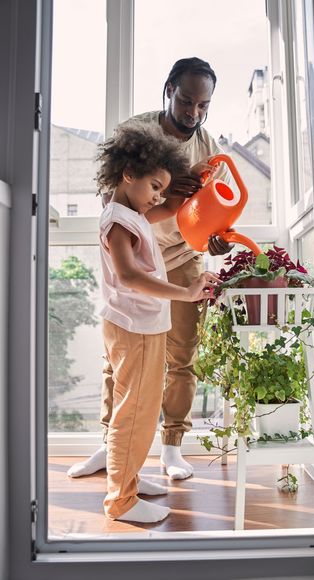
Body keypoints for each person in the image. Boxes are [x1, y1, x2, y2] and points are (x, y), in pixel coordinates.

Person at [68, 57, 231, 481]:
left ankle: (172, 447)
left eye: (203, 105)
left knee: (181, 358)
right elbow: (111, 198)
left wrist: (214, 235)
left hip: (180, 258)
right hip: (135, 255)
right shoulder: (136, 134)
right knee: (117, 358)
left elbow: (210, 209)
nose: (193, 113)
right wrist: (166, 192)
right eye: (186, 100)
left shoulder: (207, 146)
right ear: (169, 90)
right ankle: (110, 443)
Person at [94, 121, 219, 522]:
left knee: (140, 410)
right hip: (134, 329)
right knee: (135, 412)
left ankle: (127, 478)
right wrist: (186, 293)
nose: (158, 198)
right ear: (129, 175)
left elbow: (168, 209)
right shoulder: (117, 221)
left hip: (139, 325)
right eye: (154, 187)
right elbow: (129, 276)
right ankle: (121, 500)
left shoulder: (131, 211)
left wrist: (194, 187)